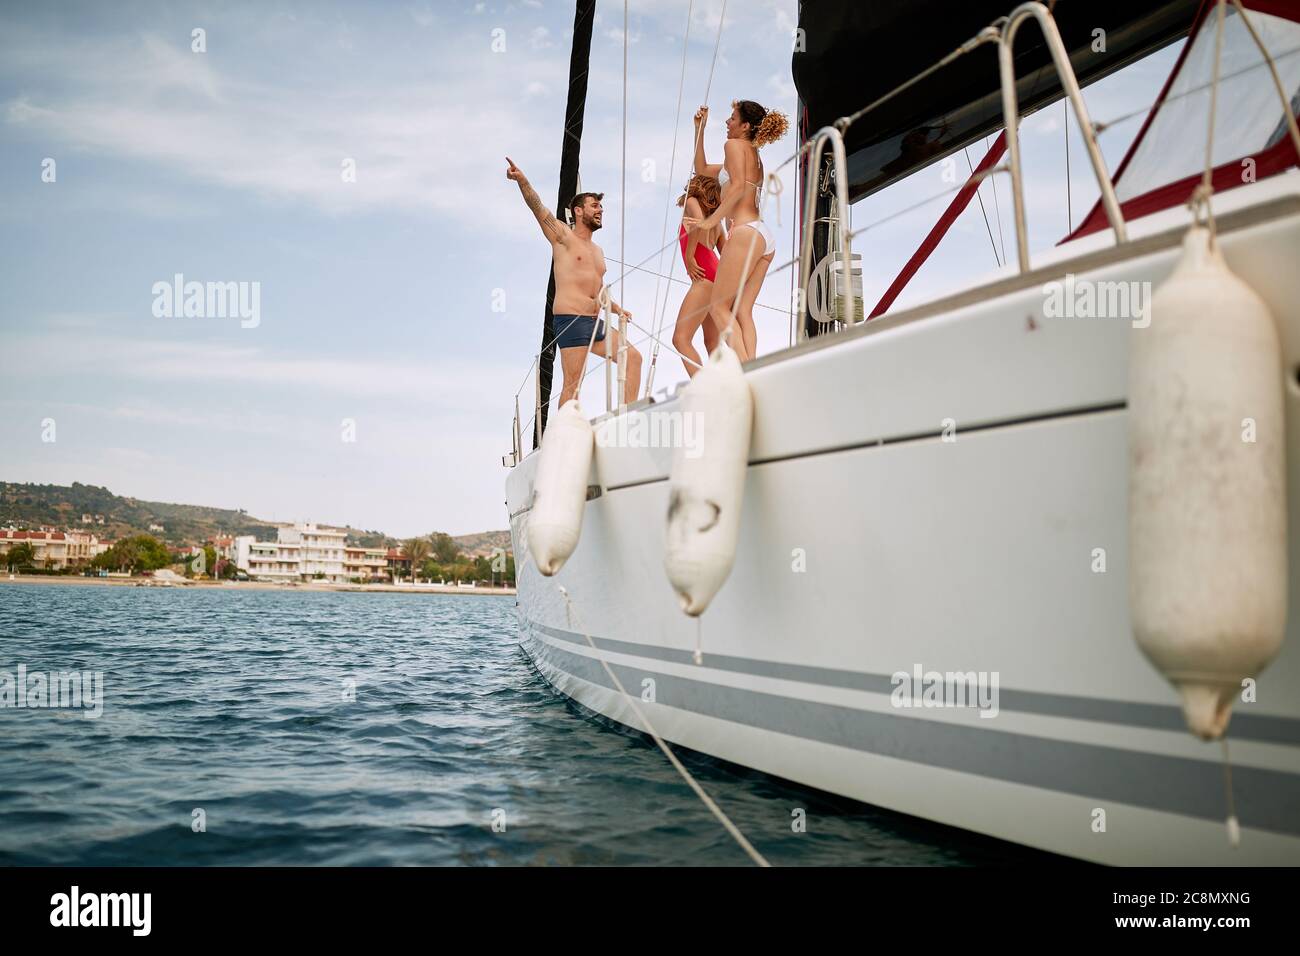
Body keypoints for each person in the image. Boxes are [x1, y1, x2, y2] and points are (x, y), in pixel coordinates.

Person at [505, 156, 641, 406]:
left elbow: (599, 291)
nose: (600, 210)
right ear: (578, 211)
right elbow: (538, 207)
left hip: (594, 321)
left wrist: (618, 309)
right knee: (573, 385)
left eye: (601, 207)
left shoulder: (598, 252)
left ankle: (629, 416)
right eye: (594, 206)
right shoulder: (563, 237)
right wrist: (522, 181)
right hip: (571, 320)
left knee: (633, 357)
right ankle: (562, 437)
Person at [683, 100, 788, 363]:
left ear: (745, 126)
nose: (727, 123)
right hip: (763, 236)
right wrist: (699, 130)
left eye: (732, 118)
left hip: (745, 232)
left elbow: (739, 186)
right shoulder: (753, 154)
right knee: (742, 309)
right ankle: (752, 364)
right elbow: (702, 170)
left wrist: (710, 222)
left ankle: (745, 370)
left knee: (719, 307)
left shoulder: (733, 145)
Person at [672, 174, 725, 377]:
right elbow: (727, 251)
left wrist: (690, 256)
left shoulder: (691, 201)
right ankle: (722, 383)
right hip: (716, 279)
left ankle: (703, 385)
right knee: (711, 342)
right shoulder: (718, 223)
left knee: (680, 339)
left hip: (703, 279)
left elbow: (697, 223)